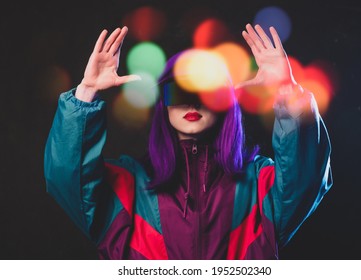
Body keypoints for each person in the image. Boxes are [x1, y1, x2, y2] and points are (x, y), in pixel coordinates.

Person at [44, 23, 333, 259]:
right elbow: (68, 180)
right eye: (181, 91)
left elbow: (305, 180)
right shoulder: (129, 185)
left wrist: (289, 93)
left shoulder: (260, 184)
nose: (193, 104)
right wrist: (86, 93)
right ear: (164, 103)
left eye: (206, 91)